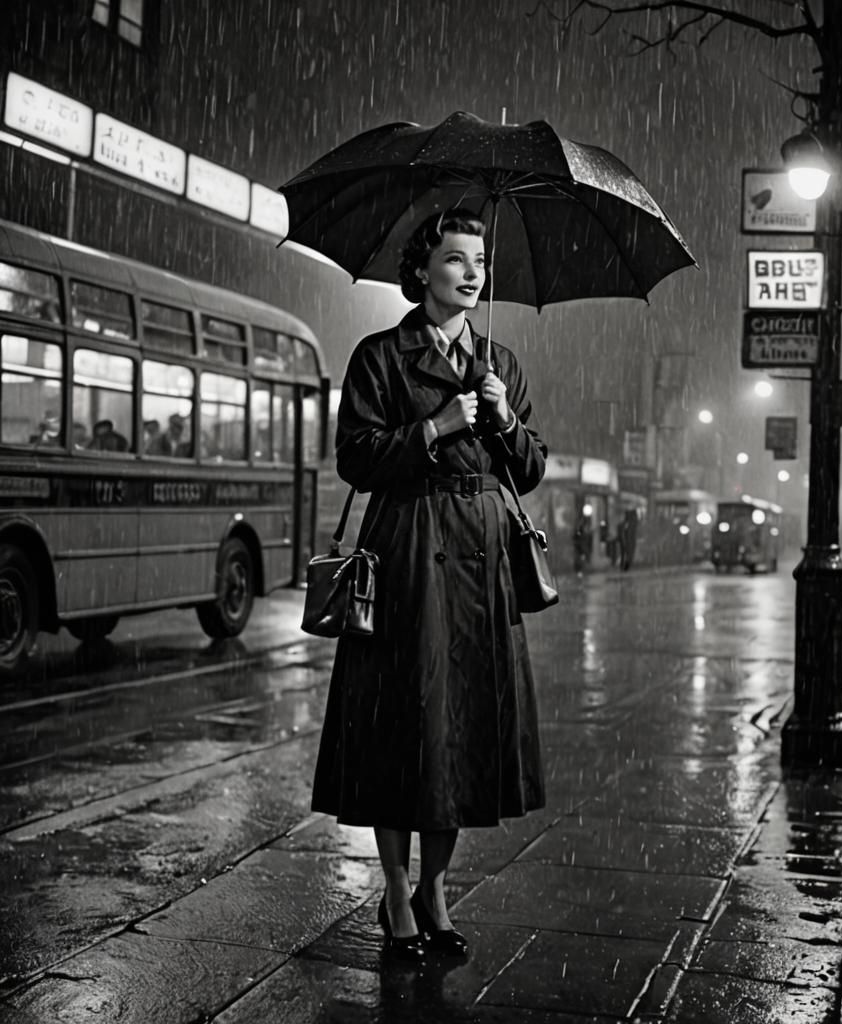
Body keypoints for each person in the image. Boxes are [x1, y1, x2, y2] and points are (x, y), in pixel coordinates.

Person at [310, 208, 547, 962]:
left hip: (480, 564)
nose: (472, 273)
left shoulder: (499, 363)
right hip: (408, 551)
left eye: (479, 260)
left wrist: (505, 422)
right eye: (454, 259)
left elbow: (532, 470)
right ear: (421, 272)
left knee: (460, 729)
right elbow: (355, 457)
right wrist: (437, 427)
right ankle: (393, 891)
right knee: (403, 722)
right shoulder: (380, 356)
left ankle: (435, 891)